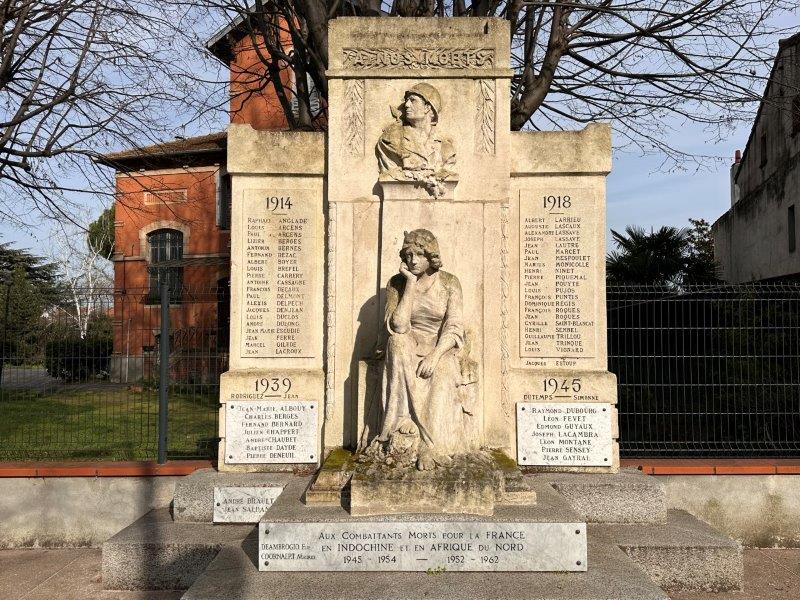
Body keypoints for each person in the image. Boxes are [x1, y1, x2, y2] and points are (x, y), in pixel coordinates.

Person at [376, 229, 468, 470]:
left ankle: (431, 444)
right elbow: (398, 325)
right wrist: (410, 284)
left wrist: (435, 356)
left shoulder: (449, 283)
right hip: (409, 344)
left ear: (431, 256)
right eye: (408, 255)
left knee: (444, 368)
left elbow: (454, 327)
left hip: (440, 348)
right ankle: (402, 420)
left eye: (419, 254)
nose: (413, 260)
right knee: (396, 342)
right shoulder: (397, 283)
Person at [376, 83, 456, 197]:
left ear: (428, 107)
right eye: (407, 100)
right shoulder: (392, 138)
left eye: (413, 100)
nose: (407, 105)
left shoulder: (445, 148)